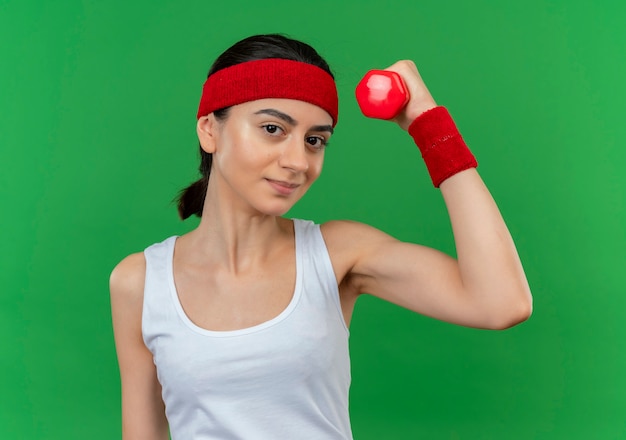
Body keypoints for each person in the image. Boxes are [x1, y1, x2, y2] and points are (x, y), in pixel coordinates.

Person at [110, 34, 532, 439]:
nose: (298, 161)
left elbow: (502, 303)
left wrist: (427, 122)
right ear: (210, 129)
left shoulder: (338, 255)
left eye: (315, 140)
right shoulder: (140, 282)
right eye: (273, 129)